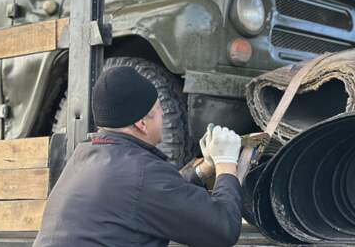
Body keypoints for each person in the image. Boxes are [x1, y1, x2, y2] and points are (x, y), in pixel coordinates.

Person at [33, 67, 243, 247]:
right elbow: (223, 229)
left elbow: (154, 193)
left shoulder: (85, 156)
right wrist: (227, 164)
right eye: (159, 109)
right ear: (142, 123)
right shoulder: (142, 171)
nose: (163, 114)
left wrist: (204, 168)